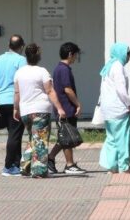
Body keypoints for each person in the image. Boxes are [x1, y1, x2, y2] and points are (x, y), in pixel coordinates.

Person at [12, 43, 67, 178]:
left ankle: (25, 166)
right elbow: (49, 90)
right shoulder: (42, 71)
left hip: (25, 111)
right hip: (41, 110)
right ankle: (39, 170)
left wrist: (15, 108)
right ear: (38, 56)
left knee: (33, 138)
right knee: (40, 140)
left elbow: (17, 93)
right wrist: (60, 108)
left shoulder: (19, 72)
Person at [0, 34, 27, 177]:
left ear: (8, 44)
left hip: (1, 100)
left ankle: (15, 165)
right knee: (15, 134)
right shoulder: (21, 60)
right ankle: (8, 166)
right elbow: (22, 81)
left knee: (13, 134)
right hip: (14, 101)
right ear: (21, 46)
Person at [47, 42, 85, 174]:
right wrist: (78, 104)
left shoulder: (60, 68)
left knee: (63, 137)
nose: (76, 58)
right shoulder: (64, 69)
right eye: (75, 55)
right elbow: (67, 90)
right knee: (68, 138)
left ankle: (50, 159)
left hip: (63, 107)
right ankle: (69, 165)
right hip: (65, 108)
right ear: (70, 54)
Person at [99, 42, 130, 173]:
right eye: (128, 53)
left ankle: (112, 166)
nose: (129, 57)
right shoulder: (118, 66)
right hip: (119, 109)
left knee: (112, 139)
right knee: (124, 139)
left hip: (108, 110)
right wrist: (128, 104)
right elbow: (120, 89)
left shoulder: (108, 66)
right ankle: (124, 166)